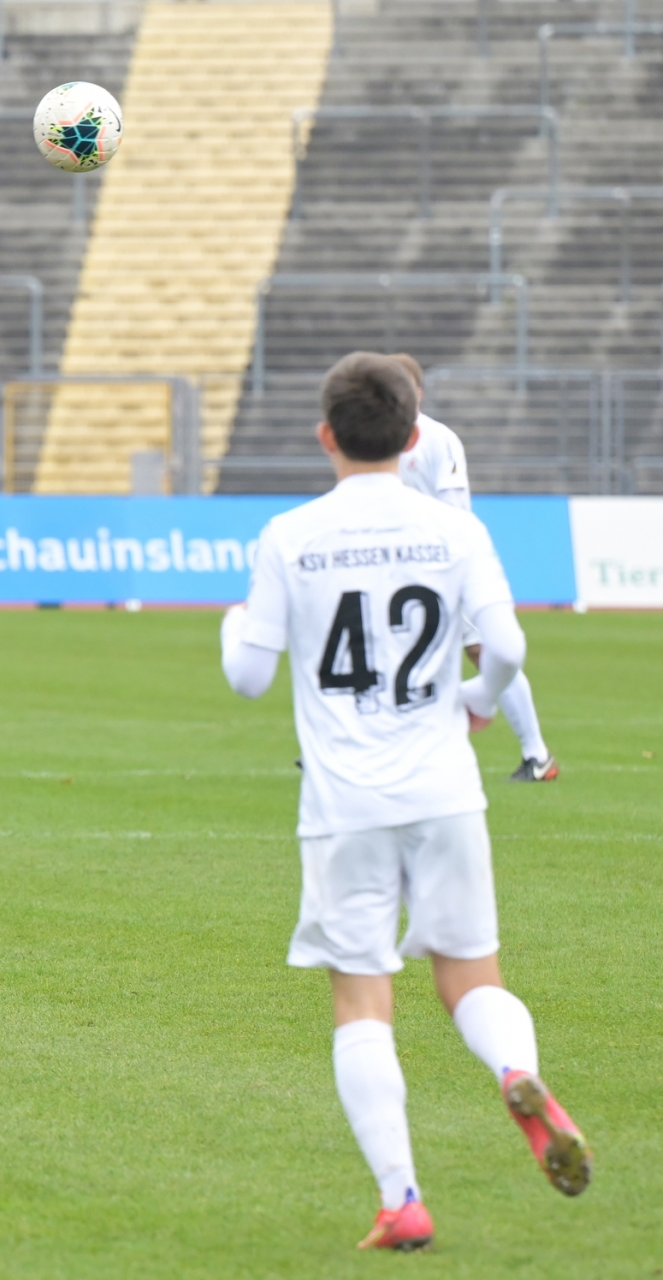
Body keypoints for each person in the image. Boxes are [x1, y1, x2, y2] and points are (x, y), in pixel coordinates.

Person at [221, 352, 590, 1251]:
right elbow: (503, 647)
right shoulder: (454, 533)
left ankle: (402, 1200)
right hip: (445, 787)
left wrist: (236, 623)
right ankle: (515, 1070)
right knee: (471, 978)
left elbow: (246, 678)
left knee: (362, 999)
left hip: (345, 800)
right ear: (413, 435)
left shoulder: (290, 534)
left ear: (326, 436)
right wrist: (472, 701)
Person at [390, 352, 557, 782]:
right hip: (403, 570)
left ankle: (537, 755)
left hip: (445, 566)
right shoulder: (377, 440)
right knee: (384, 649)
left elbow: (455, 508)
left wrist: (449, 560)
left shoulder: (437, 439)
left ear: (419, 393)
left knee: (485, 653)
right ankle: (354, 746)